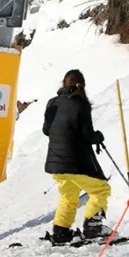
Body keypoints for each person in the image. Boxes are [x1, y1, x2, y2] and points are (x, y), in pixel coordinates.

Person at [43, 69, 111, 244]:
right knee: (100, 189)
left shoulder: (52, 103)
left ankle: (61, 231)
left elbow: (46, 130)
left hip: (55, 163)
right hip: (74, 162)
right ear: (82, 85)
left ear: (63, 84)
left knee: (69, 196)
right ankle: (93, 228)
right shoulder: (80, 103)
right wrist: (98, 137)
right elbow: (88, 136)